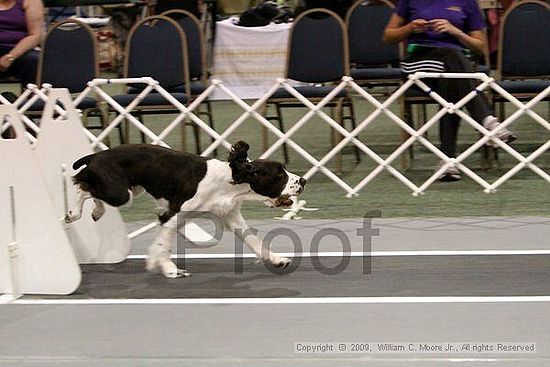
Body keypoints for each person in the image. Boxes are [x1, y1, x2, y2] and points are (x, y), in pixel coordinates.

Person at [383, 0, 516, 181]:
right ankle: (488, 121)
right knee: (452, 61)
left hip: (455, 64)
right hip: (419, 61)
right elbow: (388, 36)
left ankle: (447, 162)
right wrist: (410, 28)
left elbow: (480, 47)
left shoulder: (468, 3)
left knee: (451, 81)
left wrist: (456, 32)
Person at [0, 0, 45, 87]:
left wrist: (11, 57)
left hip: (19, 51)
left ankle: (34, 98)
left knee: (35, 59)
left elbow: (36, 35)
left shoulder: (31, 2)